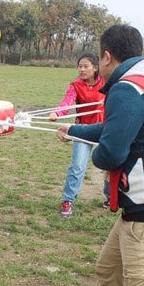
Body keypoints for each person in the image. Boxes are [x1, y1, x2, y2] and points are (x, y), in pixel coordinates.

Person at [57, 24, 144, 286]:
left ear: (106, 57)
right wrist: (74, 129)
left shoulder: (126, 90)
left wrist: (97, 155)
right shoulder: (143, 84)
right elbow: (116, 128)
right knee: (109, 272)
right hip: (142, 213)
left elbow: (110, 155)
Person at [48, 53, 109, 217]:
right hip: (83, 130)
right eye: (80, 66)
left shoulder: (107, 81)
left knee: (111, 165)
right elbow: (67, 102)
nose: (82, 69)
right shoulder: (75, 85)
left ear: (95, 67)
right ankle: (68, 201)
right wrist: (57, 113)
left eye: (86, 66)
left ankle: (111, 198)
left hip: (105, 129)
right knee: (77, 167)